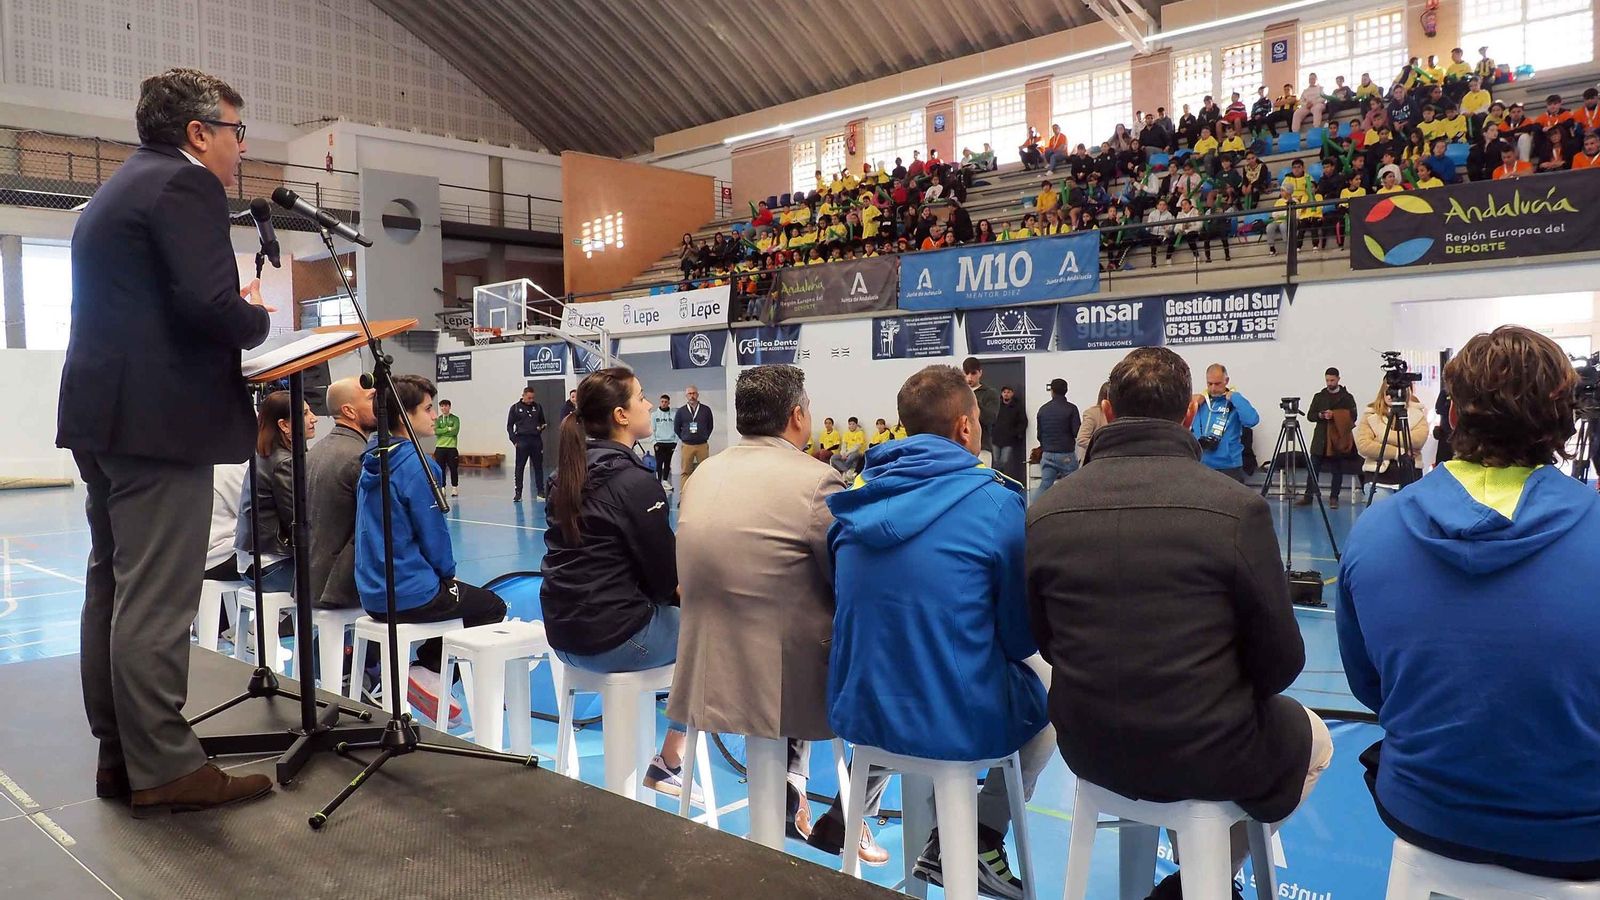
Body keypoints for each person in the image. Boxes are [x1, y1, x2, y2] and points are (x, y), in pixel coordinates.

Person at [1028, 347, 1332, 898]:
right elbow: (1283, 660)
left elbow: (1045, 640)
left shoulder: (1046, 511)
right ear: (1190, 414)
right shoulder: (1237, 509)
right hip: (1208, 751)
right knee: (1318, 741)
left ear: (1107, 411)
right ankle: (1204, 879)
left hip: (1087, 745)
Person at [58, 67, 274, 814]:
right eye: (236, 133)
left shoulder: (117, 190)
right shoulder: (184, 187)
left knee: (113, 587)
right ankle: (167, 768)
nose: (240, 151)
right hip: (157, 425)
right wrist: (258, 319)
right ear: (199, 133)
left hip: (105, 417)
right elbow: (206, 304)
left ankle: (122, 757)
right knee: (155, 601)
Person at [1339, 325, 1600, 880]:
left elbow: (1370, 685)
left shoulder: (1373, 529)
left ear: (1451, 417)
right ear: (1564, 421)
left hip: (1425, 814)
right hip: (1578, 831)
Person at [828, 365, 1054, 899]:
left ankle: (921, 833)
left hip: (860, 709)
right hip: (950, 717)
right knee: (1050, 688)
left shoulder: (855, 497)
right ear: (964, 429)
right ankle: (981, 832)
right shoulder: (999, 502)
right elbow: (1020, 639)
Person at [668, 365, 889, 866]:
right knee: (897, 664)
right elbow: (848, 578)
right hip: (781, 681)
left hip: (708, 671)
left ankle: (793, 787)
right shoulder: (817, 481)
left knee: (787, 608)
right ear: (797, 416)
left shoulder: (705, 471)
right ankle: (851, 815)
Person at [540, 368, 690, 796]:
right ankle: (671, 758)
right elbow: (666, 583)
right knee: (714, 631)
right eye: (642, 399)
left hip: (563, 633)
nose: (649, 405)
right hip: (613, 639)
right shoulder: (637, 483)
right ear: (622, 415)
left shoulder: (565, 474)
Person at [355, 375, 504, 725]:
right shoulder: (418, 466)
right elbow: (433, 536)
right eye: (427, 408)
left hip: (373, 592)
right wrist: (446, 571)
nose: (436, 415)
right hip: (410, 592)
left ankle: (426, 670)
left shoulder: (371, 460)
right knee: (490, 606)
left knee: (453, 597)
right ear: (405, 415)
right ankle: (428, 670)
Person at [306, 376, 376, 613]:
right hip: (340, 583)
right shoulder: (360, 457)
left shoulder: (316, 450)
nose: (380, 405)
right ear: (349, 411)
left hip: (311, 576)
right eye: (371, 399)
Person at [1296, 368, 1359, 509]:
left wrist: (1335, 415)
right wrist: (1321, 415)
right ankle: (1308, 496)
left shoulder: (1347, 397)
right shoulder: (1319, 396)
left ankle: (1334, 497)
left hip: (1337, 439)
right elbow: (1310, 416)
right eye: (1327, 380)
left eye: (1332, 380)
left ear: (1338, 379)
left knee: (1337, 470)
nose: (1329, 383)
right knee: (1313, 469)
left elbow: (1353, 416)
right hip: (1321, 439)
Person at [1356, 382, 1430, 492]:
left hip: (1411, 478)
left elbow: (1418, 440)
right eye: (1388, 392)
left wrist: (1381, 436)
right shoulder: (1371, 414)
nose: (1391, 396)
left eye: (1396, 392)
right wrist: (1399, 453)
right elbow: (1364, 446)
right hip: (1378, 479)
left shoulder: (1417, 413)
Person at [1191, 364, 1259, 482]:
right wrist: (1191, 402)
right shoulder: (1201, 402)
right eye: (1209, 384)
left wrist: (1235, 398)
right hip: (1202, 464)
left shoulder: (1235, 401)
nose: (1213, 388)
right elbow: (1179, 423)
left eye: (1217, 384)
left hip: (1229, 467)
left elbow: (1252, 420)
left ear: (1226, 381)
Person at [1034, 378, 1081, 498]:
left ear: (1052, 391)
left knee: (1045, 485)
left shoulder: (1043, 409)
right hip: (1066, 455)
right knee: (1073, 486)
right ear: (1066, 390)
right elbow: (1076, 432)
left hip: (1047, 453)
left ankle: (1032, 511)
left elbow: (1039, 434)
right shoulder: (1071, 408)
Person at [507, 387, 547, 502]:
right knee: (519, 468)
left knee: (538, 467)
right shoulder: (515, 408)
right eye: (529, 398)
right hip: (522, 441)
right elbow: (509, 426)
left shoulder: (538, 407)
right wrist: (514, 440)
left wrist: (541, 428)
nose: (531, 400)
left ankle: (540, 491)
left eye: (532, 398)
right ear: (523, 395)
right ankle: (518, 493)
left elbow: (543, 422)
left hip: (535, 440)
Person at [962, 357, 1000, 466]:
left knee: (982, 480)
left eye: (973, 373)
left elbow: (991, 419)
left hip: (982, 447)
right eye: (966, 373)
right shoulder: (958, 394)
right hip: (960, 447)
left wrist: (973, 401)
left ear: (980, 373)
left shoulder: (990, 393)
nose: (969, 377)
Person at [674, 385, 713, 483]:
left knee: (705, 470)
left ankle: (705, 491)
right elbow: (676, 428)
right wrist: (684, 437)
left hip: (702, 445)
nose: (692, 396)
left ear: (698, 395)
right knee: (685, 471)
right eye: (689, 394)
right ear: (686, 396)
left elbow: (710, 426)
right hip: (687, 445)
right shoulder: (681, 411)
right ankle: (684, 493)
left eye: (694, 393)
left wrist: (704, 436)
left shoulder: (706, 410)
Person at [992, 386, 1028, 485]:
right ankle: (996, 483)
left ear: (1012, 394)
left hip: (1009, 440)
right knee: (995, 462)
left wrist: (1015, 433)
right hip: (995, 439)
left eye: (1008, 392)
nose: (1006, 394)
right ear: (1001, 394)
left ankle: (1001, 482)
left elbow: (1023, 422)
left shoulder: (1017, 407)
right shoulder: (997, 406)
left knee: (1004, 461)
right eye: (1004, 392)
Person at [645, 392, 678, 493]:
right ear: (660, 402)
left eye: (665, 402)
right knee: (659, 462)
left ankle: (665, 481)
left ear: (669, 403)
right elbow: (652, 429)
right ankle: (658, 481)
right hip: (659, 442)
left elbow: (677, 428)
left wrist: (675, 441)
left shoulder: (673, 414)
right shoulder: (654, 415)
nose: (663, 403)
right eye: (662, 401)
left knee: (668, 462)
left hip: (671, 442)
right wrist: (654, 442)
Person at [433, 399, 461, 497]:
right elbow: (436, 431)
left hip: (451, 448)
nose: (443, 408)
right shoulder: (437, 419)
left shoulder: (455, 419)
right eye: (442, 406)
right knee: (441, 469)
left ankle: (454, 488)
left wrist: (443, 431)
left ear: (449, 407)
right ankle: (442, 488)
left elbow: (455, 431)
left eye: (445, 406)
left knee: (453, 468)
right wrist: (447, 429)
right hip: (440, 447)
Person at [1076, 382, 1109, 456]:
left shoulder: (1121, 413)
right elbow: (1081, 439)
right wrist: (1102, 446)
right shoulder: (1092, 413)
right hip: (1095, 458)